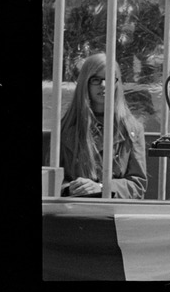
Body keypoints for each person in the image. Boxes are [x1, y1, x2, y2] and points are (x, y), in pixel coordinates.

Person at [57, 53, 147, 199]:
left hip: (113, 211)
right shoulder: (65, 127)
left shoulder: (132, 128)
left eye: (110, 79)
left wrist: (102, 187)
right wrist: (69, 189)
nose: (103, 85)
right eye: (96, 80)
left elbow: (138, 185)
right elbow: (51, 177)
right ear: (85, 82)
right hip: (74, 208)